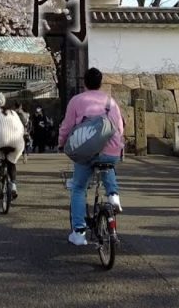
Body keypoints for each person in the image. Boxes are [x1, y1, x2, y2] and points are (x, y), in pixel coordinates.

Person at [58, 67, 125, 246]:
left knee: (79, 188)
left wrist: (61, 142)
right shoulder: (111, 102)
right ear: (100, 82)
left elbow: (66, 126)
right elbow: (120, 127)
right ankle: (113, 196)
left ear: (84, 83)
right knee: (107, 164)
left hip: (86, 151)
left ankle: (79, 232)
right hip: (111, 149)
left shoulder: (77, 101)